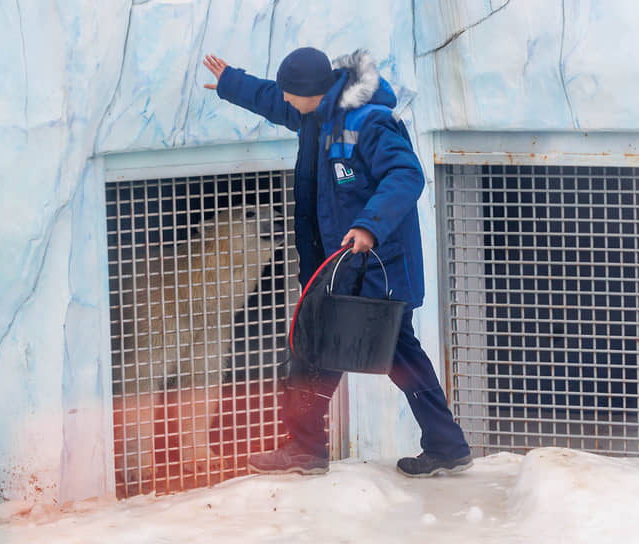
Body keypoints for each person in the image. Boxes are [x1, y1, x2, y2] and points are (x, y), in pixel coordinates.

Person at [201, 47, 473, 478]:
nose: (285, 101)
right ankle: (434, 444)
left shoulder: (369, 121)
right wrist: (232, 81)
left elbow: (405, 175)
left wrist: (369, 225)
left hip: (375, 268)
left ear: (314, 92)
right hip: (335, 270)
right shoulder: (314, 114)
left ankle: (317, 447)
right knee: (327, 353)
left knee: (357, 356)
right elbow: (274, 97)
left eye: (293, 94)